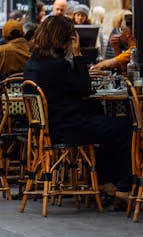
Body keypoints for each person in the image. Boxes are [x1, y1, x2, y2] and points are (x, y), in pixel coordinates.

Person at [23, 15, 132, 194]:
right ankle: (122, 185)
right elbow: (85, 89)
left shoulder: (33, 63)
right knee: (122, 127)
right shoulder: (57, 65)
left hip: (48, 128)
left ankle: (104, 180)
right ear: (63, 38)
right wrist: (78, 54)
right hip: (68, 128)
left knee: (106, 125)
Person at [0, 20, 31, 84]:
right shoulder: (35, 49)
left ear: (4, 37)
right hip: (32, 91)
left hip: (4, 92)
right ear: (23, 34)